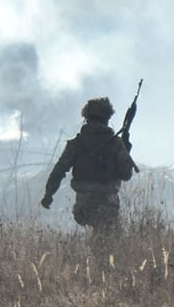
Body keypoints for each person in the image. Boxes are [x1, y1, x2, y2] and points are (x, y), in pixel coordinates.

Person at [41, 96, 137, 231]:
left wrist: (48, 195)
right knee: (111, 241)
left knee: (98, 237)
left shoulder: (76, 143)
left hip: (83, 205)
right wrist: (126, 148)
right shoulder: (116, 144)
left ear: (86, 118)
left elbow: (59, 170)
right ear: (107, 119)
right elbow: (126, 175)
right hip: (108, 204)